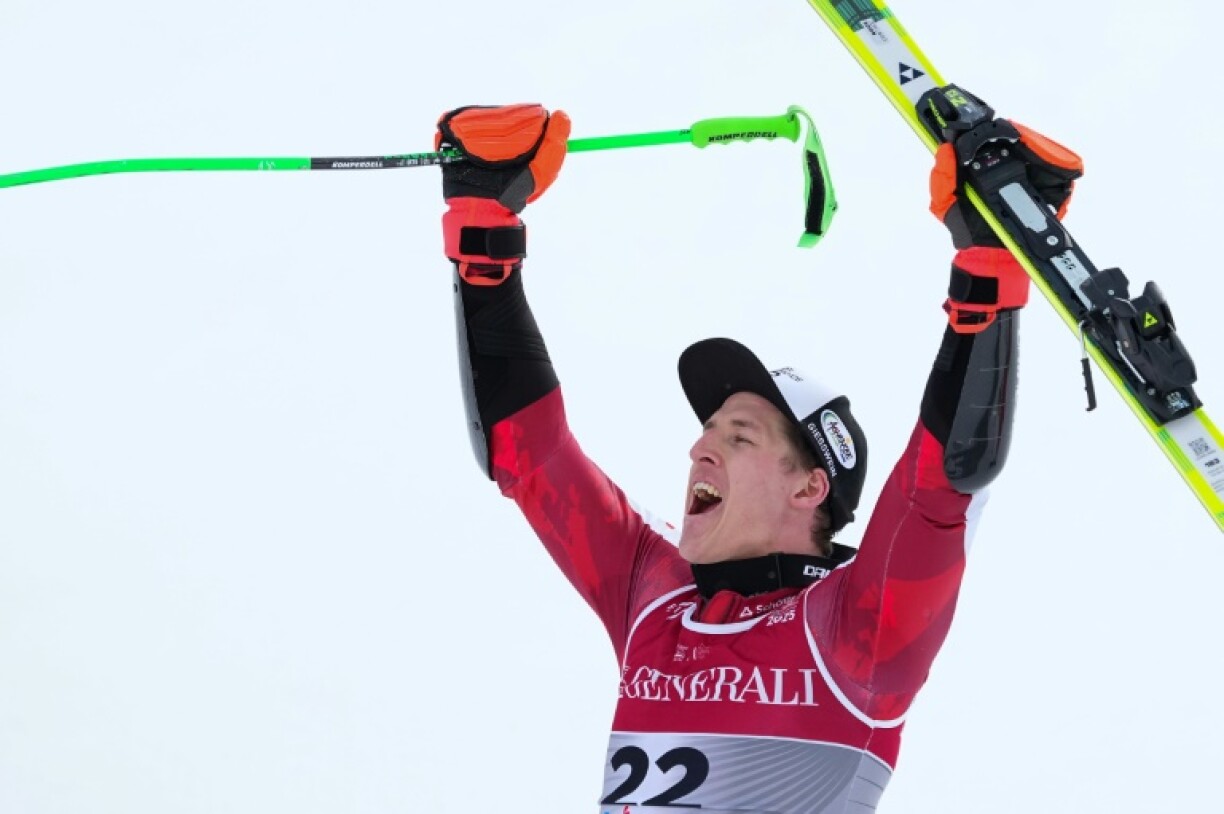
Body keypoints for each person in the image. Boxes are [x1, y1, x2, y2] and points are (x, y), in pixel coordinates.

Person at [435, 102, 1081, 813]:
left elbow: (938, 492)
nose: (698, 447)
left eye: (738, 435)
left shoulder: (855, 633)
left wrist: (986, 270)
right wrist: (485, 234)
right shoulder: (657, 596)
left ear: (811, 487)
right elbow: (526, 457)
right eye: (709, 429)